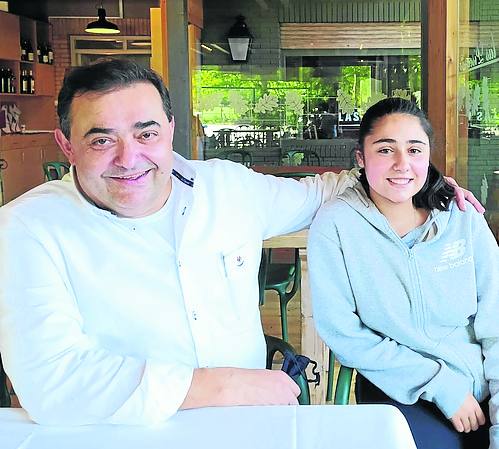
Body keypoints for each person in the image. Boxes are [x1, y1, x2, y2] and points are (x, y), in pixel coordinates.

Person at [0, 60, 480, 426]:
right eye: (101, 141)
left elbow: (328, 189)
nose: (130, 158)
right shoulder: (27, 228)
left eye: (146, 133)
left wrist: (430, 183)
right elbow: (52, 379)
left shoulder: (227, 188)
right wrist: (224, 385)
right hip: (120, 431)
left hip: (251, 426)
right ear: (66, 144)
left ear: (170, 131)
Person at [308, 98, 498, 449]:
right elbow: (343, 332)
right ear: (360, 159)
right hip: (402, 388)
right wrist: (441, 386)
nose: (402, 164)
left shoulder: (462, 218)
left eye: (415, 149)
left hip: (484, 382)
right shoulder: (336, 224)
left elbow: (496, 323)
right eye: (385, 150)